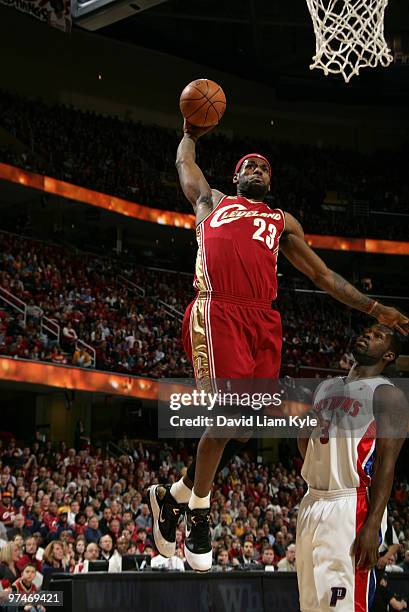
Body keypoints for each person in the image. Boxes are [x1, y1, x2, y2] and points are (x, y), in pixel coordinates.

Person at [148, 121, 409, 571]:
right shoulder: (212, 203)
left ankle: (172, 496)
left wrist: (374, 308)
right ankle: (199, 513)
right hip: (219, 311)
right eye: (248, 164)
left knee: (247, 427)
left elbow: (323, 277)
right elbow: (183, 163)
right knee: (228, 416)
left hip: (263, 320)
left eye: (264, 168)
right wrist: (190, 130)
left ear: (271, 182)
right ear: (235, 177)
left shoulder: (281, 222)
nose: (256, 168)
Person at [296, 324, 408, 611]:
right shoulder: (325, 387)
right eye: (368, 331)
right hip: (311, 501)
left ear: (389, 355)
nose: (368, 335)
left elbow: (386, 464)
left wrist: (372, 524)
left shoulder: (387, 394)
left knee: (344, 606)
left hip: (351, 505)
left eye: (378, 336)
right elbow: (308, 446)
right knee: (311, 605)